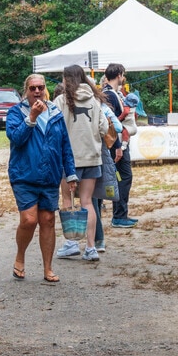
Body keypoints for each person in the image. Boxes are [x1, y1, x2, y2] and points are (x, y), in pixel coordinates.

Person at [6, 73, 77, 283]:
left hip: (50, 174)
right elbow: (16, 139)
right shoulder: (16, 112)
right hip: (24, 174)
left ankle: (48, 268)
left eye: (40, 87)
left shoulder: (55, 112)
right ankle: (20, 257)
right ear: (26, 90)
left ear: (45, 89)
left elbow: (65, 144)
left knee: (47, 220)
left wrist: (70, 173)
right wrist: (32, 119)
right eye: (32, 88)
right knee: (29, 220)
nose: (37, 91)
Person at [53, 65, 109, 262]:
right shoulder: (94, 100)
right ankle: (91, 248)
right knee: (87, 203)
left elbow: (53, 128)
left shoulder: (60, 101)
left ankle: (71, 243)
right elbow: (104, 127)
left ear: (67, 79)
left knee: (68, 201)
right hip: (92, 157)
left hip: (68, 160)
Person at [101, 63, 136, 229]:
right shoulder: (109, 94)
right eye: (123, 74)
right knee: (124, 176)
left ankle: (121, 214)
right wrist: (118, 146)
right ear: (120, 74)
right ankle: (119, 215)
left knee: (121, 177)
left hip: (118, 142)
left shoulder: (113, 93)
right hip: (116, 143)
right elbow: (110, 123)